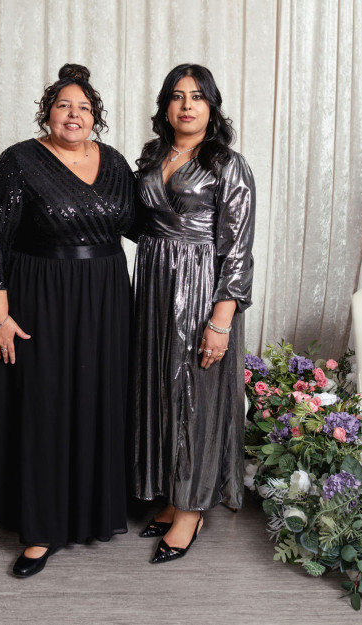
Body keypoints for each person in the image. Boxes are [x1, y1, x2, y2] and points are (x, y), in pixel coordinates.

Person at [0, 64, 135, 577]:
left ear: (95, 117)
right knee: (43, 405)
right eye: (64, 105)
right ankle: (40, 528)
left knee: (97, 399)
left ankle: (92, 509)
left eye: (83, 107)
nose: (74, 115)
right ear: (48, 113)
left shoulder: (115, 161)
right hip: (38, 299)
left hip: (105, 299)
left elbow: (142, 224)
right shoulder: (19, 160)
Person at [130, 64, 256, 563]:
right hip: (154, 288)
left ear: (211, 107)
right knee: (160, 390)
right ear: (165, 106)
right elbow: (134, 221)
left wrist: (220, 321)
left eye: (197, 97)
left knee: (195, 397)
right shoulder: (152, 156)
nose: (187, 105)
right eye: (178, 96)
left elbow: (239, 251)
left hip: (203, 289)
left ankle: (191, 508)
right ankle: (170, 492)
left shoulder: (228, 164)